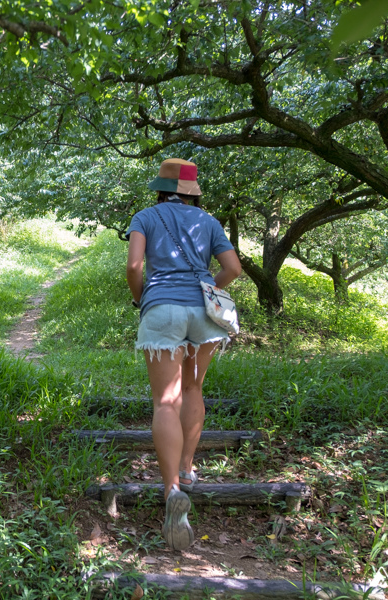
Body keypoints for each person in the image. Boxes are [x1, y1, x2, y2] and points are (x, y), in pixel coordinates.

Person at [126, 158, 242, 551]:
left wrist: (143, 298)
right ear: (192, 191)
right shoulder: (208, 222)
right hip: (204, 313)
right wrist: (211, 286)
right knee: (192, 390)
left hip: (163, 308)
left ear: (160, 186)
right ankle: (189, 469)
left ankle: (172, 488)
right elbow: (233, 268)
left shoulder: (145, 216)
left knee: (164, 402)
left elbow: (134, 266)